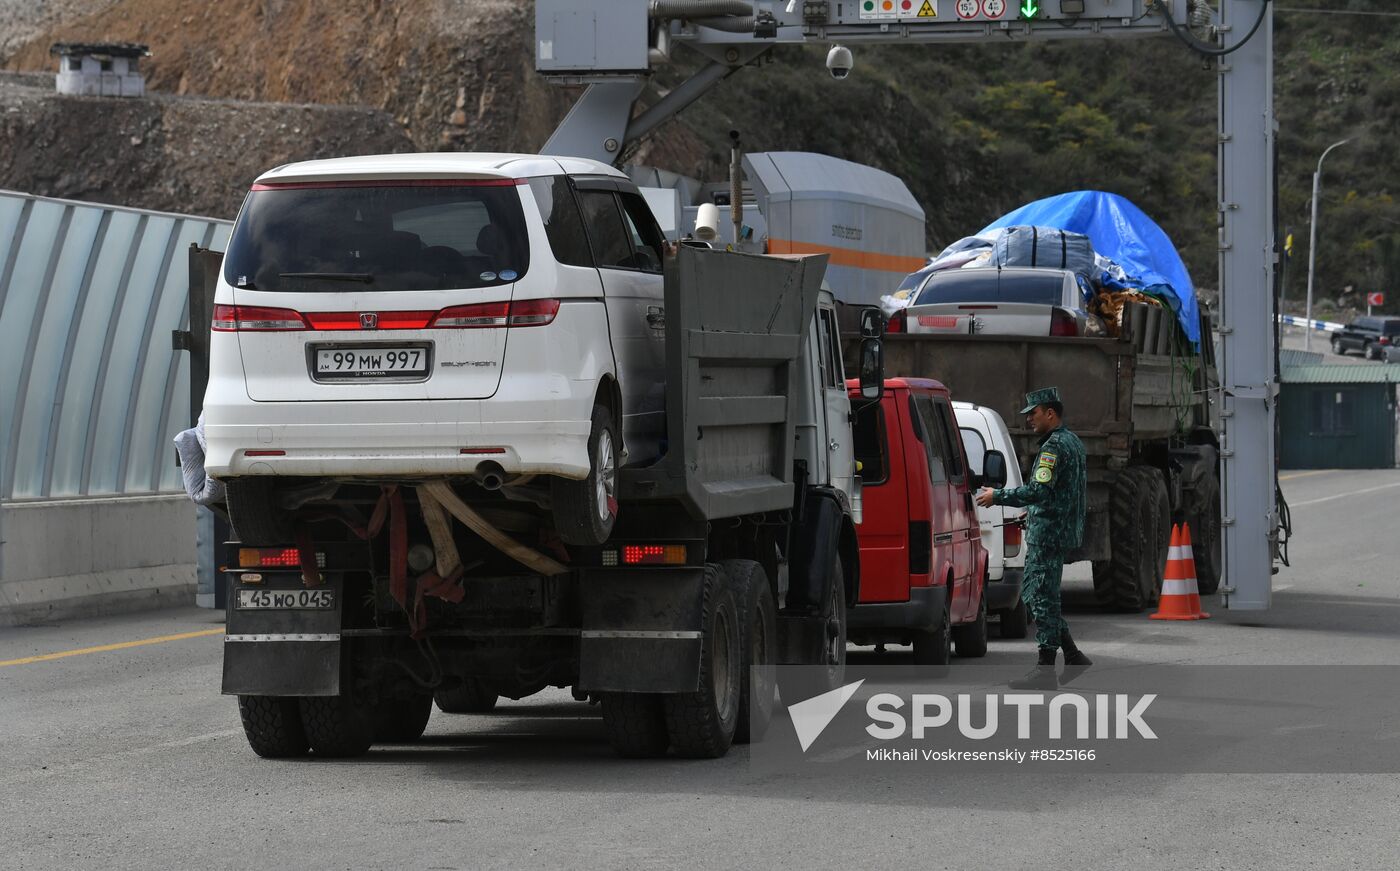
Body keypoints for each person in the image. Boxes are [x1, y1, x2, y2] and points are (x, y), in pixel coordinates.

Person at [975, 387, 1090, 688]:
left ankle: (1045, 670)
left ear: (1050, 413)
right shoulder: (1073, 442)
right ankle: (1074, 656)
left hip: (1049, 535)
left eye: (1034, 414)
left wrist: (997, 495)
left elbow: (1039, 490)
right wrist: (1035, 511)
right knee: (1045, 597)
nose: (1029, 420)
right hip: (1057, 530)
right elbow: (1064, 493)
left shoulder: (1053, 447)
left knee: (1040, 599)